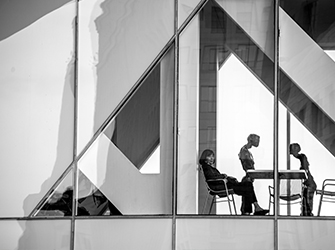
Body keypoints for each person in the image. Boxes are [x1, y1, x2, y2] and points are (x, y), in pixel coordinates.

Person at [199, 149, 269, 215]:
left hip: (224, 185)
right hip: (220, 187)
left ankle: (251, 210)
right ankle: (254, 209)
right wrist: (224, 177)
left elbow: (215, 176)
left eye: (212, 156)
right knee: (247, 186)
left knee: (247, 186)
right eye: (209, 156)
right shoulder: (206, 167)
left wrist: (225, 176)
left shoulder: (210, 167)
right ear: (204, 157)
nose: (212, 158)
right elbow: (212, 178)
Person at [289, 143, 317, 216]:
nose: (292, 153)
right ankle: (306, 215)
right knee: (306, 202)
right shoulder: (301, 158)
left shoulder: (302, 157)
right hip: (308, 184)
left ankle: (308, 215)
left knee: (307, 202)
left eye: (292, 151)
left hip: (309, 184)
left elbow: (305, 169)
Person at [238, 134, 260, 213]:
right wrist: (251, 174)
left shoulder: (246, 151)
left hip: (249, 176)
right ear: (251, 140)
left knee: (248, 191)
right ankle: (255, 207)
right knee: (248, 187)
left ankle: (251, 209)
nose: (258, 142)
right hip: (248, 176)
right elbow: (247, 166)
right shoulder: (244, 151)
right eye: (257, 140)